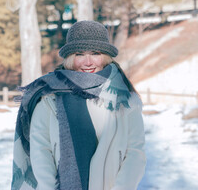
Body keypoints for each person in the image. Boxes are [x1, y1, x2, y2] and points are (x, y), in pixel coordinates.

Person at [11, 20, 146, 190]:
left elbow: (135, 153)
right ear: (70, 58)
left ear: (105, 57)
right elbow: (41, 151)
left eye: (95, 53)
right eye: (79, 54)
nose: (88, 62)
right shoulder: (49, 98)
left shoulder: (126, 100)